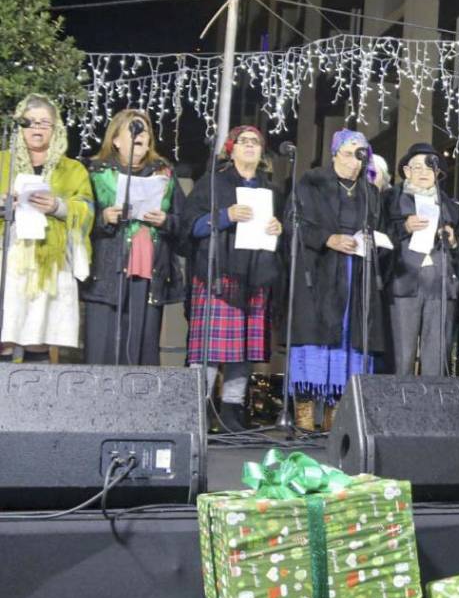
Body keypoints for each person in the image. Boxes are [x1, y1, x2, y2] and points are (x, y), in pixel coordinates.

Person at [182, 125, 285, 432]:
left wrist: (278, 230)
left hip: (256, 276)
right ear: (232, 148)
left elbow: (283, 238)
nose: (251, 146)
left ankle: (231, 412)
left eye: (256, 142)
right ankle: (197, 411)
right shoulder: (212, 183)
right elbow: (192, 226)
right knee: (209, 350)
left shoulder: (271, 191)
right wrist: (226, 215)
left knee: (244, 349)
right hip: (218, 274)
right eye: (244, 141)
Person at [287, 129, 386, 430]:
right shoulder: (311, 182)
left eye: (361, 154)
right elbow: (294, 224)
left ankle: (336, 423)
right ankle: (304, 421)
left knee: (349, 343)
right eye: (349, 153)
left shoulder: (370, 193)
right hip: (318, 274)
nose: (355, 161)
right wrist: (328, 238)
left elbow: (378, 228)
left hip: (355, 275)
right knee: (314, 342)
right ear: (334, 155)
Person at [82, 109, 186, 365]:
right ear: (116, 139)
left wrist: (166, 221)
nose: (140, 135)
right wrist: (103, 218)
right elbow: (79, 223)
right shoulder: (96, 172)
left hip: (149, 272)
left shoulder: (164, 173)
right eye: (132, 129)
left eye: (144, 130)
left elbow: (184, 223)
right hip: (107, 271)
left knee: (143, 351)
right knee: (102, 348)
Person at [0, 93, 93, 362]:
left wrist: (57, 206)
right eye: (31, 122)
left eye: (45, 123)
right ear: (21, 126)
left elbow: (87, 209)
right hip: (9, 256)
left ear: (56, 129)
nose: (37, 128)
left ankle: (36, 400)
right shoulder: (3, 162)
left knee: (38, 335)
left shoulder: (72, 169)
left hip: (50, 260)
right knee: (5, 333)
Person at [385, 143, 459, 377]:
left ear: (438, 173)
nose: (424, 172)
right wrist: (404, 227)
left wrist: (455, 241)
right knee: (401, 356)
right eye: (417, 167)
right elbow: (379, 237)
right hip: (404, 283)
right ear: (406, 171)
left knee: (436, 357)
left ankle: (431, 409)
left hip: (441, 285)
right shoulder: (390, 199)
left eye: (430, 167)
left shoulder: (451, 207)